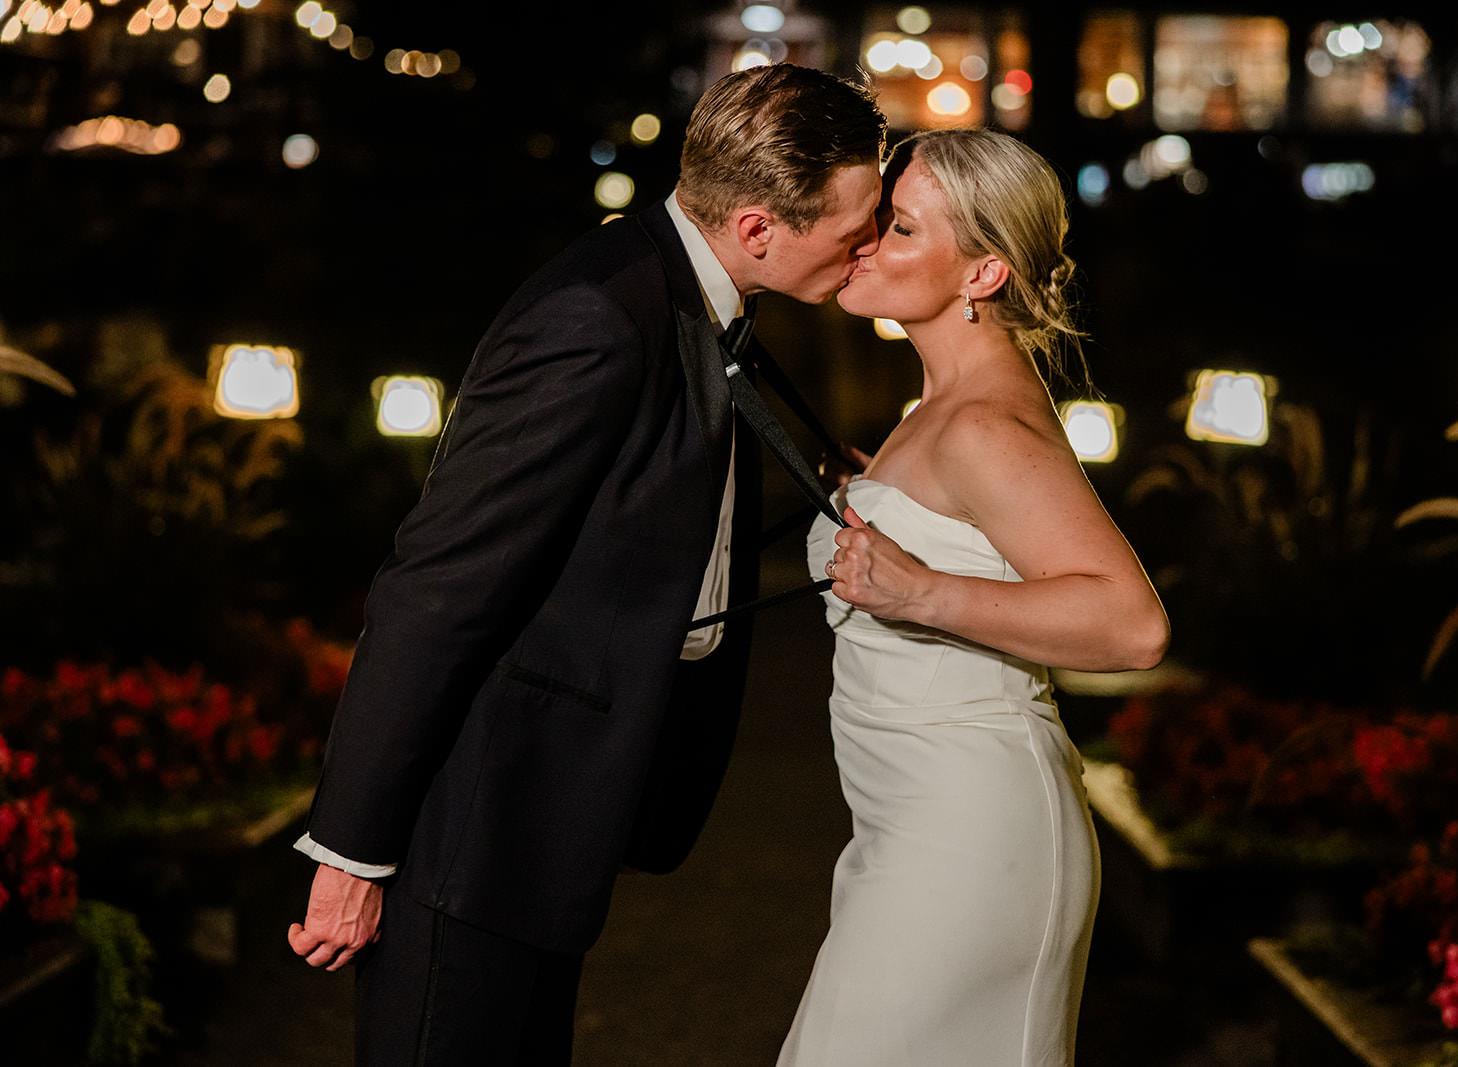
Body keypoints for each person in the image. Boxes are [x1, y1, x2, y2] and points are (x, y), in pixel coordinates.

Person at [284, 63, 886, 1065]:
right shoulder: (597, 318)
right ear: (756, 228)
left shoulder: (693, 292)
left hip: (546, 824)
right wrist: (349, 849)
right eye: (855, 226)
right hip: (471, 831)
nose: (864, 246)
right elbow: (439, 583)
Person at [783, 128, 1170, 1066]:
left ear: (983, 274)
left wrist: (920, 588)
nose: (866, 244)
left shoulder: (984, 422)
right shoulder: (940, 409)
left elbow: (1132, 623)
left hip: (970, 838)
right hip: (911, 826)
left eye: (901, 229)